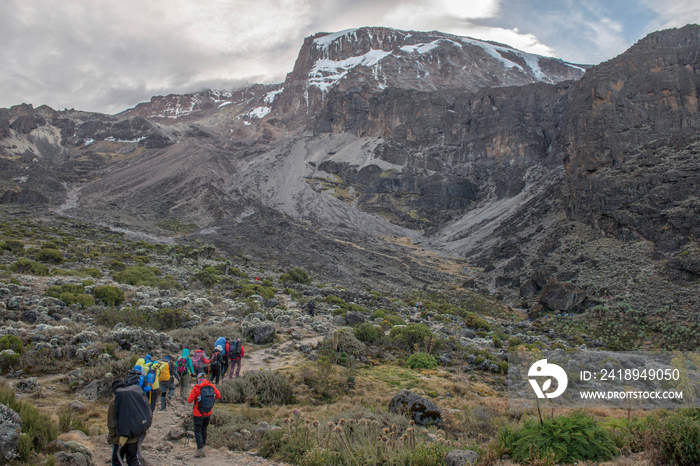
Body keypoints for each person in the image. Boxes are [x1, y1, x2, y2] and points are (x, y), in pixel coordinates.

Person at [108, 379, 151, 466]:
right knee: (132, 459)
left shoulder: (114, 402)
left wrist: (111, 436)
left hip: (118, 439)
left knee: (117, 462)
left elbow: (111, 422)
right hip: (132, 437)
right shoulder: (133, 399)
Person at [187, 373, 221, 458]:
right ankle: (203, 445)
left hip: (198, 413)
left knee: (197, 430)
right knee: (204, 429)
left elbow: (190, 400)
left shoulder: (196, 388)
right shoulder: (212, 386)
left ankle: (200, 449)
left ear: (198, 379)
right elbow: (218, 396)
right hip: (208, 412)